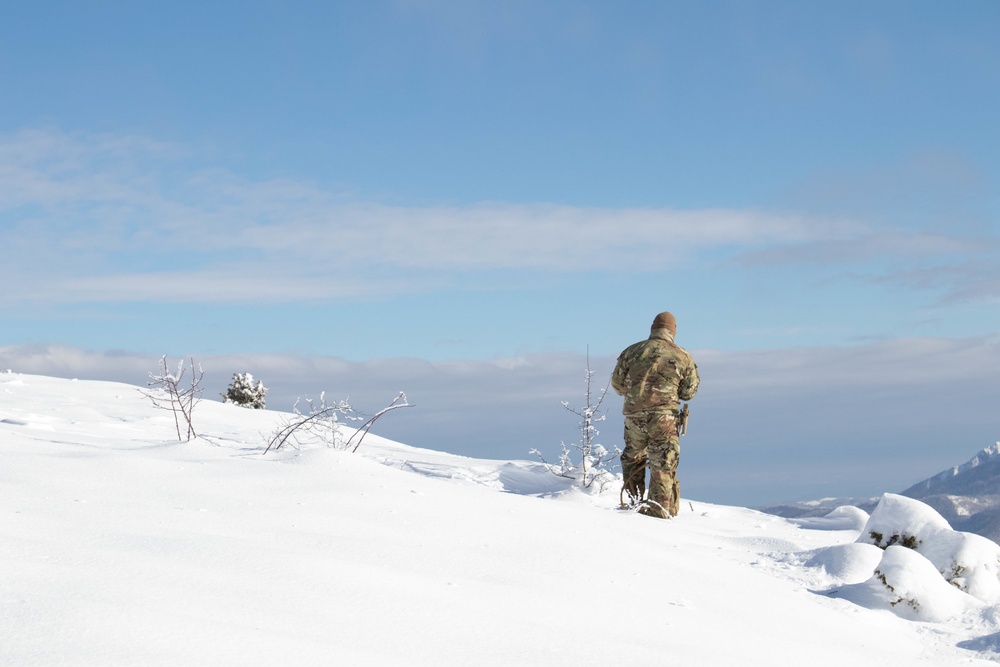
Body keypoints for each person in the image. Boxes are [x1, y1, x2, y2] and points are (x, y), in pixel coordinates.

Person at [611, 311, 700, 518]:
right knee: (663, 463)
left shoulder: (632, 351)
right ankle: (659, 512)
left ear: (653, 328)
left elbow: (617, 385)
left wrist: (637, 393)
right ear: (673, 331)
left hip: (634, 418)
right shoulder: (682, 355)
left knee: (634, 459)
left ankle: (632, 506)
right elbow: (689, 392)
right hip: (664, 419)